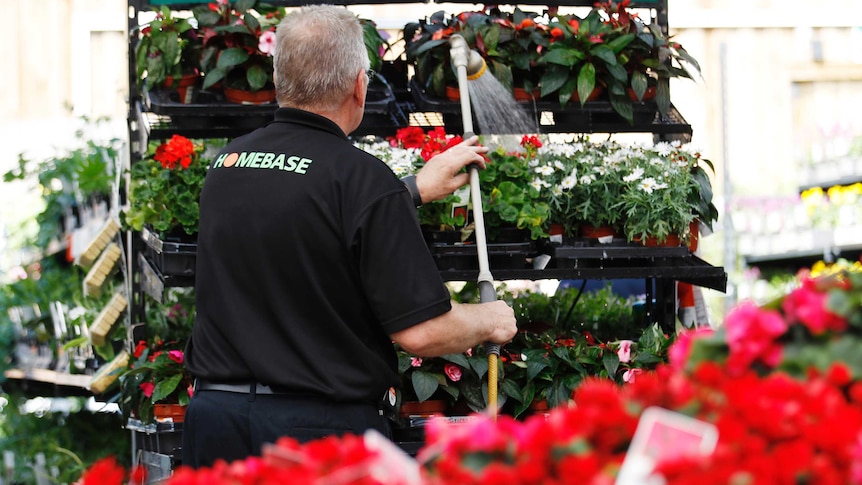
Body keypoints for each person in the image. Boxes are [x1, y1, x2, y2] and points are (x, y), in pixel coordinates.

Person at [181, 5, 518, 468]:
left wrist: (410, 192)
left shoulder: (228, 165)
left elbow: (298, 214)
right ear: (359, 86)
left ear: (280, 79)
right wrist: (491, 320)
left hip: (215, 425)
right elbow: (422, 332)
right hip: (316, 436)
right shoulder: (360, 181)